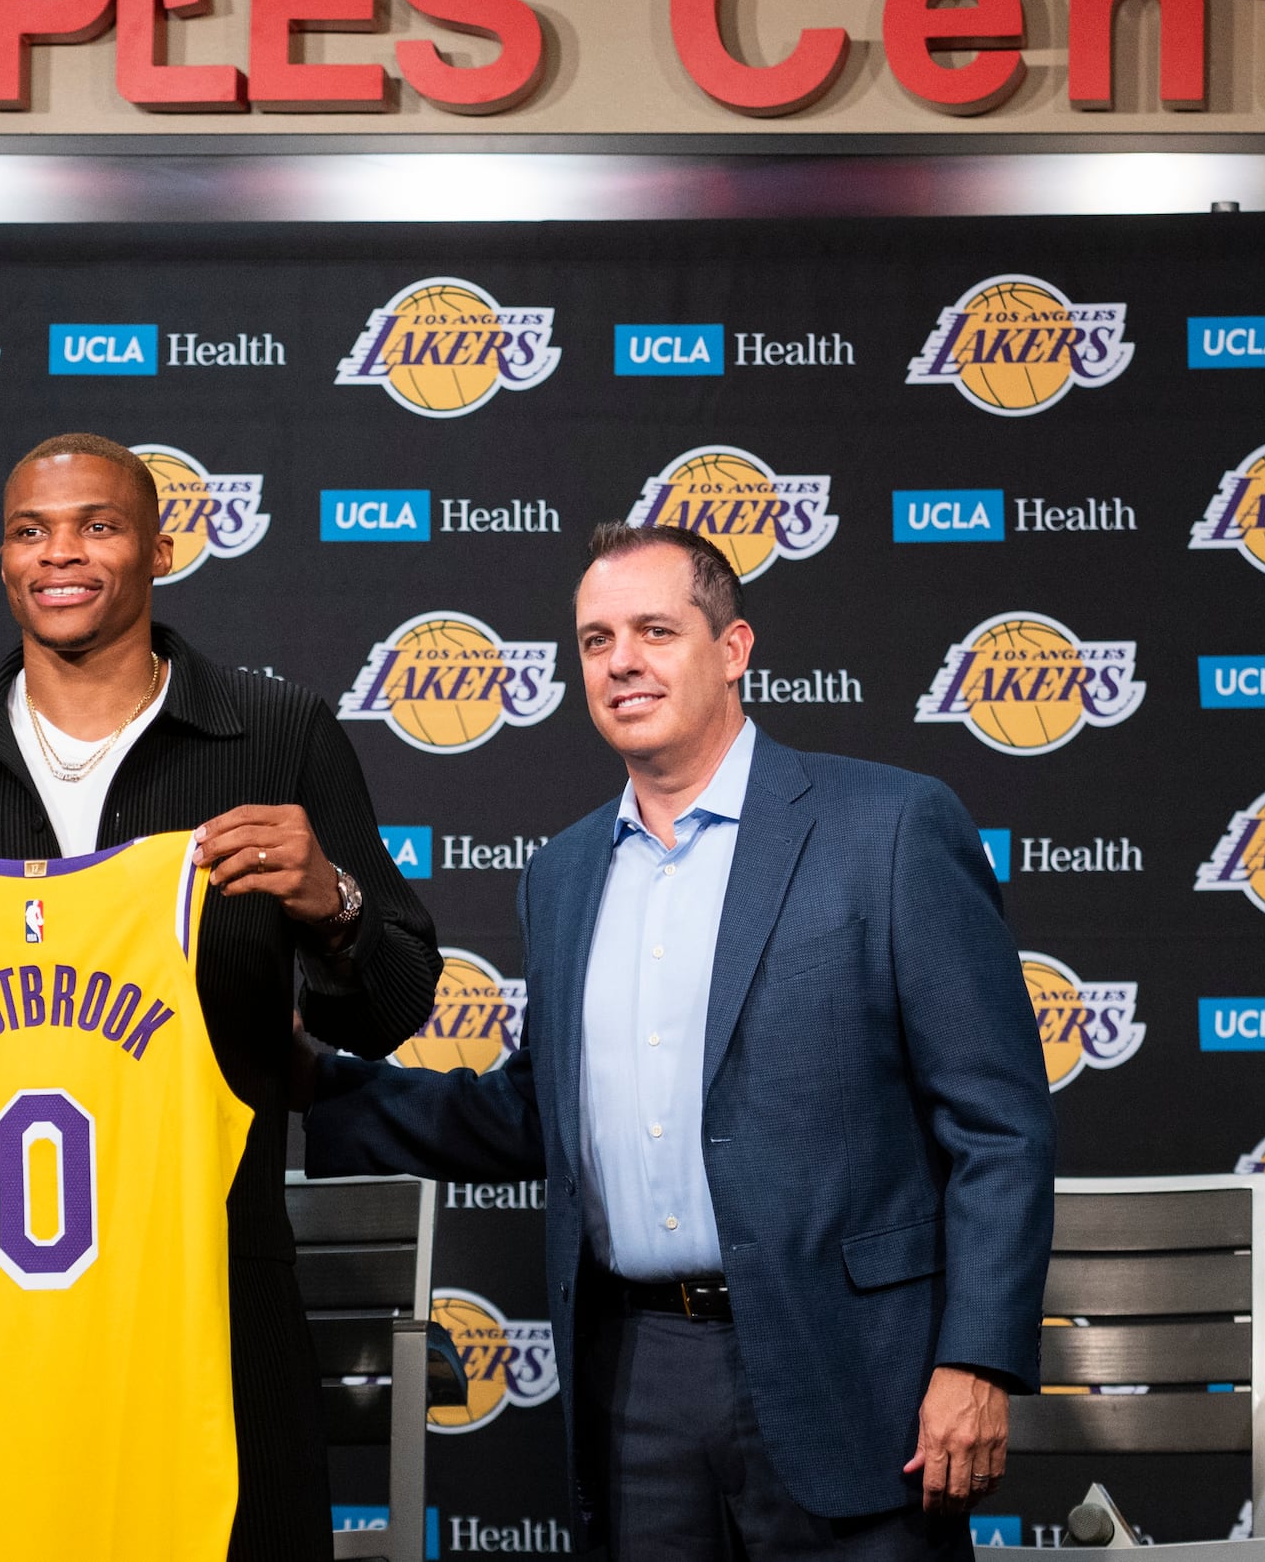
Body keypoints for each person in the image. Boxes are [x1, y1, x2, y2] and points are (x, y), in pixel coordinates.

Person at [301, 523, 1056, 1562]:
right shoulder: (562, 873)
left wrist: (976, 1360)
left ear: (734, 647)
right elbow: (536, 1112)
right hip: (635, 1373)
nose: (621, 661)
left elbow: (999, 1124)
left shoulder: (888, 826)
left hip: (853, 1371)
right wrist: (313, 1080)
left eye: (655, 629)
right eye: (595, 638)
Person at [0, 431, 440, 1560]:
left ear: (161, 548)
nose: (58, 553)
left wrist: (335, 903)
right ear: (0, 557)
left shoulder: (274, 735)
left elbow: (387, 1006)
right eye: (29, 530)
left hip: (213, 1302)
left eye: (97, 524)